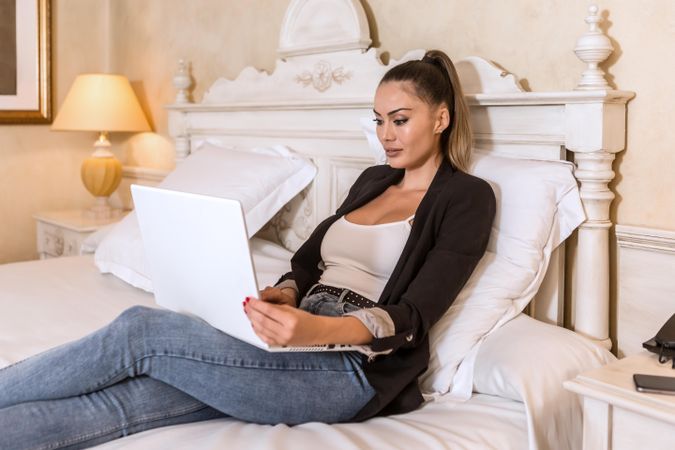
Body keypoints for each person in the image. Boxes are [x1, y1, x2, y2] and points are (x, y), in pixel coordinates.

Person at [0, 50, 495, 449]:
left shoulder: (466, 197)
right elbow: (306, 260)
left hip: (350, 370)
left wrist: (315, 330)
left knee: (141, 330)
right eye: (379, 120)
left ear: (441, 118)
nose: (386, 134)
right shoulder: (372, 180)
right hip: (290, 340)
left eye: (401, 119)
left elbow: (413, 316)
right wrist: (285, 294)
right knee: (128, 403)